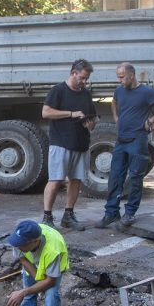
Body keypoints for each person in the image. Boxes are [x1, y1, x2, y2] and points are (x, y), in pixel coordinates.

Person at [95, 62, 154, 229]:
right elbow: (114, 102)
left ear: (131, 75)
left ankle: (129, 213)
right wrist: (116, 117)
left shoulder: (146, 92)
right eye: (118, 77)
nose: (120, 81)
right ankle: (111, 213)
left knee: (135, 178)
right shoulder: (119, 90)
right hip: (121, 141)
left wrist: (151, 120)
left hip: (137, 141)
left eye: (122, 77)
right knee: (115, 177)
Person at [40, 58, 97, 229]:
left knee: (76, 180)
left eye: (86, 79)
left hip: (80, 143)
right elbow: (46, 112)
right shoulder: (58, 90)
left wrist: (90, 123)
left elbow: (92, 117)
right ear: (73, 73)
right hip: (61, 143)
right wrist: (71, 114)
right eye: (82, 78)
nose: (84, 82)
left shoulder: (86, 94)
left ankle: (68, 215)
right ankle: (47, 217)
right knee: (56, 180)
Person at [0, 220, 70, 306]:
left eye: (22, 244)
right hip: (33, 265)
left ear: (35, 241)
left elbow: (50, 280)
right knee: (28, 292)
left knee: (51, 297)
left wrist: (24, 292)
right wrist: (36, 284)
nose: (18, 247)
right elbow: (24, 260)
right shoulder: (19, 241)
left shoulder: (53, 250)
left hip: (53, 271)